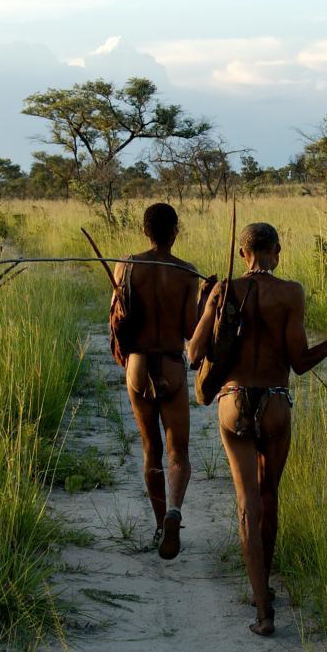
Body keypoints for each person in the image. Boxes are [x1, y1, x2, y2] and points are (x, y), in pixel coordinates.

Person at [188, 222, 327, 636]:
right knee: (269, 495)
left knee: (247, 502)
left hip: (232, 402)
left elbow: (195, 352)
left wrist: (210, 304)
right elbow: (301, 362)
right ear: (278, 251)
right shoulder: (291, 293)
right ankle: (263, 588)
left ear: (242, 254)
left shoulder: (225, 289)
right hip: (275, 403)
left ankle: (262, 610)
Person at [113, 203, 200, 560]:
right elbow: (189, 330)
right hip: (170, 364)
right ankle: (174, 511)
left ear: (146, 232)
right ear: (174, 231)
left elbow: (118, 320)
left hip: (137, 364)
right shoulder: (186, 272)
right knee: (178, 451)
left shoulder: (126, 265)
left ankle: (159, 525)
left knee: (152, 450)